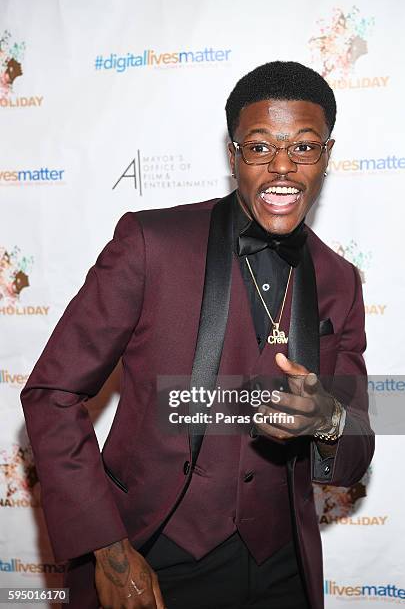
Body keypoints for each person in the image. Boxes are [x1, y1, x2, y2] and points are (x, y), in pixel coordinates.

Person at [21, 61, 374, 609]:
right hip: (155, 557)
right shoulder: (150, 243)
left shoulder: (339, 280)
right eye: (259, 147)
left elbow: (354, 453)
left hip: (283, 571)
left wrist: (329, 418)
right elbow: (52, 393)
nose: (282, 166)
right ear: (233, 155)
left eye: (304, 147)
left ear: (327, 155)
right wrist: (109, 551)